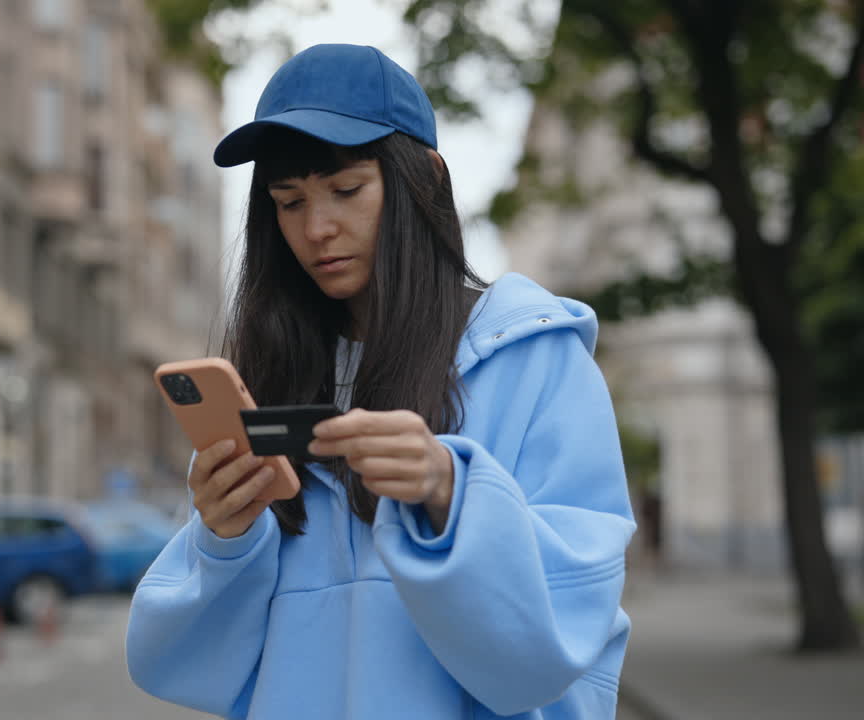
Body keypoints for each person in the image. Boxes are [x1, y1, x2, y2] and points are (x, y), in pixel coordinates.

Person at [126, 43, 636, 719]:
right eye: (288, 201)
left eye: (346, 190)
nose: (317, 228)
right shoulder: (269, 380)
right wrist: (222, 542)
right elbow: (184, 667)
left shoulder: (534, 358)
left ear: (424, 178)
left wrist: (449, 492)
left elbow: (567, 632)